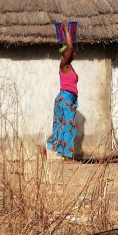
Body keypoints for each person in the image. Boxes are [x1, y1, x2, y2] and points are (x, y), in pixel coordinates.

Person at [46, 29, 79, 162]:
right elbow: (70, 47)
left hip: (64, 99)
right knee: (68, 127)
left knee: (60, 127)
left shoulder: (68, 65)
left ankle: (46, 147)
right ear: (65, 53)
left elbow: (73, 47)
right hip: (65, 98)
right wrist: (66, 30)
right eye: (71, 52)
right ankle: (67, 157)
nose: (74, 53)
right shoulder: (64, 64)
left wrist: (73, 37)